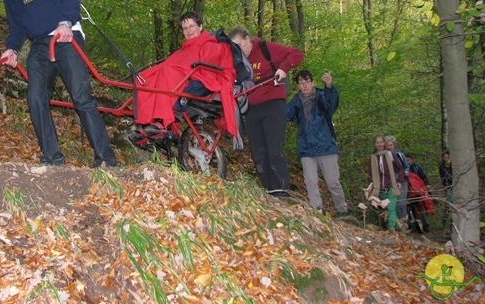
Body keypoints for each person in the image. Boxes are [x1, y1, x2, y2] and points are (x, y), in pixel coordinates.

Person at [0, 0, 117, 168]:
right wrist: (12, 48)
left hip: (65, 37)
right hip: (39, 43)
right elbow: (15, 17)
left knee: (81, 97)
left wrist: (66, 22)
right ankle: (52, 158)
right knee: (36, 97)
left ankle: (105, 159)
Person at [132, 11, 238, 138]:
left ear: (200, 26)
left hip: (202, 82)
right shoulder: (183, 50)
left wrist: (183, 72)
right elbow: (166, 66)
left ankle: (161, 120)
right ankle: (145, 119)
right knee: (145, 78)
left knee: (167, 74)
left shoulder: (212, 45)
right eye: (185, 28)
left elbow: (212, 69)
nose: (189, 30)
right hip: (183, 79)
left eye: (191, 26)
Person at [228, 26, 304, 197]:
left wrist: (283, 69)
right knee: (258, 152)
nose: (238, 50)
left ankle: (282, 191)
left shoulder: (264, 47)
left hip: (273, 105)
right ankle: (270, 191)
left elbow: (296, 54)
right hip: (252, 108)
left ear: (248, 39)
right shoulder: (237, 59)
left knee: (274, 150)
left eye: (240, 45)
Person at [286, 70, 348, 217]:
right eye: (301, 83)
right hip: (306, 148)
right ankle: (317, 209)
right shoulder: (295, 102)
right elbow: (284, 114)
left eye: (307, 82)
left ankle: (342, 209)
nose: (304, 86)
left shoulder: (321, 96)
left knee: (332, 181)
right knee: (310, 180)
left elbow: (332, 105)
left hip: (326, 146)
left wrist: (329, 86)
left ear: (312, 82)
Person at [368, 133, 405, 230]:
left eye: (381, 142)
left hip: (391, 187)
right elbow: (370, 174)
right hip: (379, 188)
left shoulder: (390, 154)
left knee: (391, 209)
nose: (379, 144)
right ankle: (400, 231)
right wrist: (370, 188)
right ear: (374, 144)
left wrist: (399, 181)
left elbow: (401, 169)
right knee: (386, 210)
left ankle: (391, 231)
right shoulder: (373, 157)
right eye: (377, 142)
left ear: (384, 143)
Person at [385, 136, 409, 221]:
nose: (389, 147)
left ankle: (403, 223)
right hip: (389, 182)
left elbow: (406, 167)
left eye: (391, 145)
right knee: (391, 204)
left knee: (401, 203)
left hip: (401, 181)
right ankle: (393, 224)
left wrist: (405, 172)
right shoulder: (383, 155)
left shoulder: (400, 155)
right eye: (387, 145)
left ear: (394, 145)